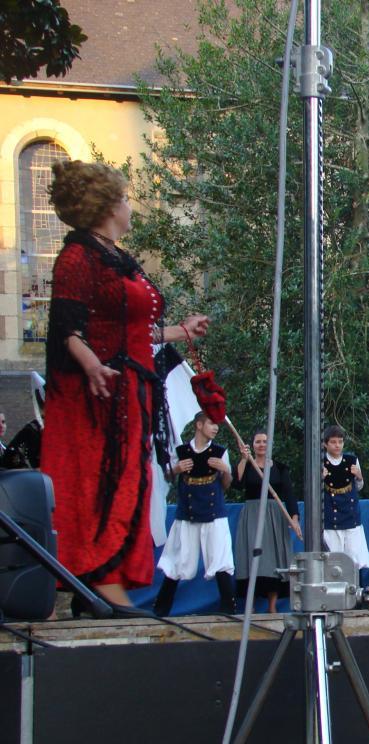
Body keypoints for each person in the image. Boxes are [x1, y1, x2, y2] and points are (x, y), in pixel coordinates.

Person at [40, 160, 209, 612]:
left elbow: (134, 329)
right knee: (103, 481)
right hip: (99, 396)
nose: (131, 207)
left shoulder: (116, 256)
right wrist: (93, 366)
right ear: (109, 205)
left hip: (130, 388)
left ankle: (110, 577)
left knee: (134, 480)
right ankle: (95, 576)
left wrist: (180, 330)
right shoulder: (79, 256)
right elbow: (68, 329)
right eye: (126, 199)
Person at [153, 412, 235, 615]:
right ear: (199, 425)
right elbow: (167, 478)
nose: (216, 428)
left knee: (221, 559)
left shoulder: (220, 452)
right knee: (176, 559)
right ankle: (160, 611)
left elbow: (226, 486)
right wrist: (176, 469)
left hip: (214, 513)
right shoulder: (180, 452)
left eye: (217, 425)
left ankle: (229, 609)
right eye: (211, 423)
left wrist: (225, 470)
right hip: (186, 514)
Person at [233, 429, 301, 613]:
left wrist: (294, 518)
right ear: (252, 445)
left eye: (265, 441)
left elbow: (289, 495)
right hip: (252, 516)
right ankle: (251, 605)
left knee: (273, 561)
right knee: (251, 559)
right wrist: (243, 459)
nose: (262, 445)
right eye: (258, 442)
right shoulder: (247, 465)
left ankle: (272, 606)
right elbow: (236, 484)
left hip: (274, 518)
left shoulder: (280, 468)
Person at [322, 424, 369, 573]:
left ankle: (354, 591)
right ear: (326, 444)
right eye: (333, 442)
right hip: (331, 518)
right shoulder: (320, 462)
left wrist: (359, 476)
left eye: (340, 441)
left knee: (353, 559)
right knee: (333, 561)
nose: (337, 445)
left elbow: (359, 486)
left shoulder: (352, 460)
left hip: (351, 517)